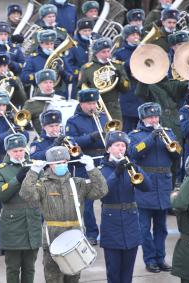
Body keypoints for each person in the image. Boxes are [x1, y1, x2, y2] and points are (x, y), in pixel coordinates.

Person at [20, 146, 108, 282]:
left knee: (74, 276)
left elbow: (101, 190)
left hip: (75, 234)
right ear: (50, 165)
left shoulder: (77, 183)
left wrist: (92, 169)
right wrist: (33, 172)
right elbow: (27, 195)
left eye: (65, 162)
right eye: (58, 163)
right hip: (53, 236)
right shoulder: (43, 185)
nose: (62, 165)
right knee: (53, 276)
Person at [128, 102, 180, 273]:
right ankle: (150, 259)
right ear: (143, 118)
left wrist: (168, 143)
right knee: (144, 229)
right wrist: (151, 138)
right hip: (146, 184)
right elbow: (135, 152)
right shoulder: (135, 135)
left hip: (164, 184)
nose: (154, 119)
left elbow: (177, 153)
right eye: (150, 117)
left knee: (161, 228)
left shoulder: (169, 133)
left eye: (156, 116)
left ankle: (160, 258)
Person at [99, 131, 151, 283]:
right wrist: (116, 172)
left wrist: (136, 168)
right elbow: (103, 193)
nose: (121, 149)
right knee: (114, 272)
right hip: (111, 223)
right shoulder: (102, 169)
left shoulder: (130, 167)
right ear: (108, 149)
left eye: (123, 146)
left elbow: (147, 186)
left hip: (130, 222)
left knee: (128, 273)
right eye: (117, 145)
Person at [0, 133, 42, 283]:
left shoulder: (33, 166)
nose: (19, 154)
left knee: (30, 266)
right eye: (15, 151)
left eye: (21, 150)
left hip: (32, 221)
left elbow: (41, 190)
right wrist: (17, 179)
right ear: (8, 151)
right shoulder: (0, 169)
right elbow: (0, 195)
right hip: (12, 223)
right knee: (13, 267)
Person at [65, 88, 107, 245]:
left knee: (107, 197)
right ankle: (91, 233)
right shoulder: (73, 121)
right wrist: (91, 137)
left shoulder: (103, 117)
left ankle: (107, 231)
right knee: (87, 202)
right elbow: (72, 141)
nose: (93, 106)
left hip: (103, 160)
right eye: (89, 103)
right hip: (84, 162)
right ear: (81, 104)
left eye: (95, 103)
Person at [78, 37, 129, 121]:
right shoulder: (87, 68)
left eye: (108, 51)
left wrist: (120, 78)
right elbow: (81, 89)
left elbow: (126, 89)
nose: (107, 55)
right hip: (94, 107)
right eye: (103, 52)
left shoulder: (117, 66)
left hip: (114, 108)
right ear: (96, 53)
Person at [21, 29, 74, 99]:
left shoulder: (60, 58)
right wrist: (39, 75)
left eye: (51, 44)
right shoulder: (33, 59)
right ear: (41, 44)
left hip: (58, 93)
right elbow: (24, 77)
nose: (49, 46)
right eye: (47, 44)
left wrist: (62, 72)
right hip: (39, 94)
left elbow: (71, 78)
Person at [113, 24, 145, 132]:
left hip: (142, 90)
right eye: (132, 35)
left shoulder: (145, 50)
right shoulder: (120, 53)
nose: (136, 37)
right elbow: (120, 70)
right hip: (128, 92)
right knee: (127, 127)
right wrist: (135, 55)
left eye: (137, 34)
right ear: (126, 37)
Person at [23, 69, 65, 134]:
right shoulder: (31, 103)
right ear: (39, 85)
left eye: (51, 82)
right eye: (45, 82)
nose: (48, 85)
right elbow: (22, 123)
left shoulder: (60, 99)